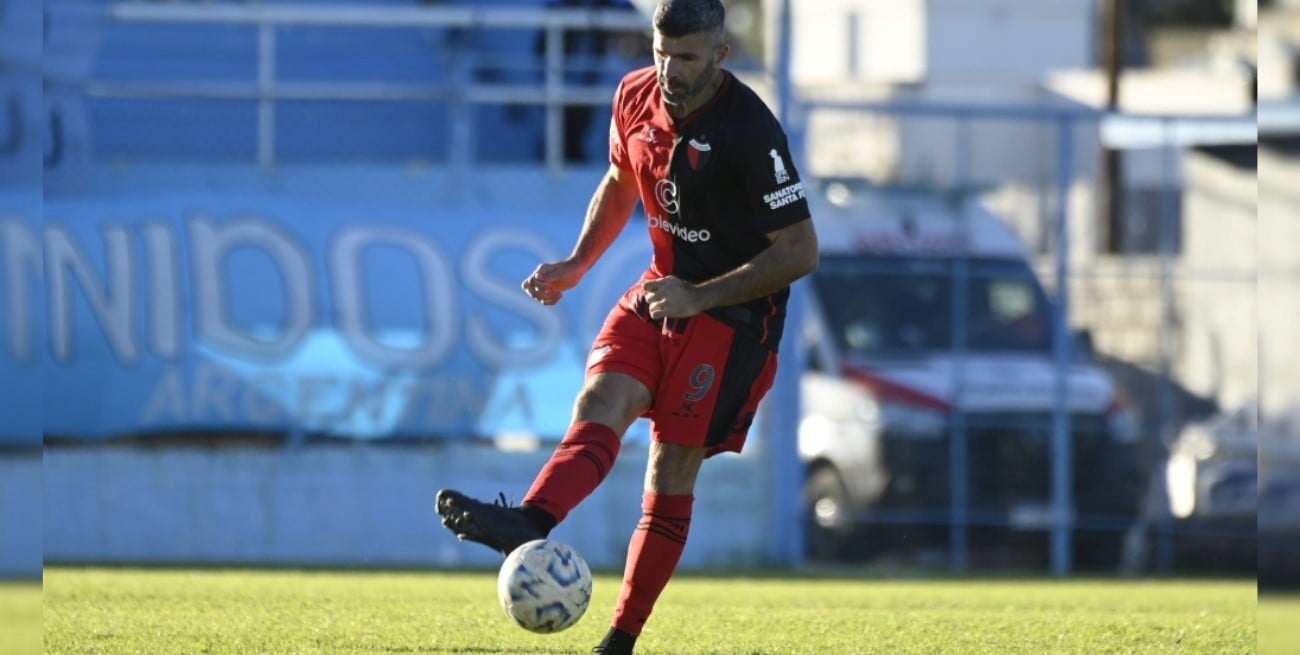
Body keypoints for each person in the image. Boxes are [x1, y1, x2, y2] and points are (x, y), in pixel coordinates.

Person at [435, 1, 818, 653]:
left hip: (732, 318)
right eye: (662, 53)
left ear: (720, 55)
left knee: (669, 468)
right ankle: (531, 519)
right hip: (661, 290)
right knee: (601, 398)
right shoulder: (634, 94)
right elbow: (620, 181)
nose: (670, 69)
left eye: (687, 58)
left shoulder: (751, 130)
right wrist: (576, 264)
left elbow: (801, 251)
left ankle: (621, 637)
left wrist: (699, 297)